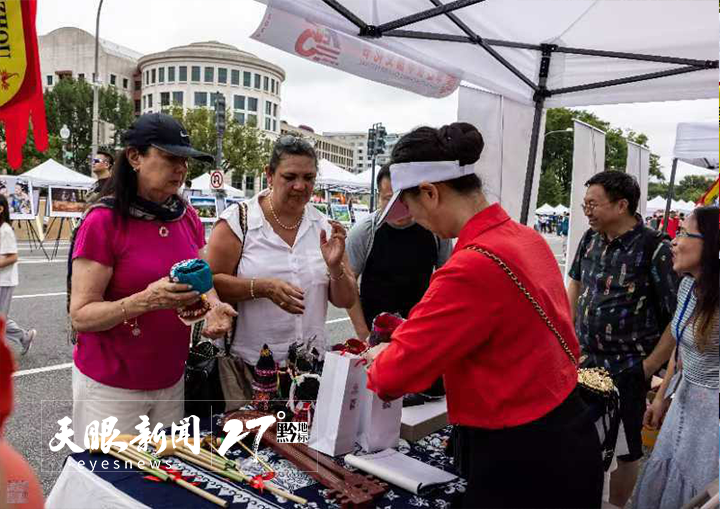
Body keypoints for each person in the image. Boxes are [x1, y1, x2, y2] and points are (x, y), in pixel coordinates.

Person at [365, 123, 603, 508]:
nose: (413, 219)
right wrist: (413, 331)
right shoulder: (526, 237)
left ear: (430, 192)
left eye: (409, 206)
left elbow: (393, 376)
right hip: (565, 431)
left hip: (522, 457)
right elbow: (502, 329)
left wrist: (381, 357)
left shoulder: (471, 266)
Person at [69, 113, 236, 442]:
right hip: (112, 387)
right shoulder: (103, 222)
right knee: (110, 483)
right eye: (171, 158)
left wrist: (214, 305)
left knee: (160, 481)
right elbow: (81, 315)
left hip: (170, 380)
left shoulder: (185, 215)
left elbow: (203, 278)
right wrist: (145, 301)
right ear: (134, 157)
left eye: (185, 161)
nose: (181, 169)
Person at [567, 170, 679, 507]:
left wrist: (647, 368)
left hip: (628, 365)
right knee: (579, 433)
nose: (586, 210)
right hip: (586, 358)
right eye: (585, 203)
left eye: (593, 204)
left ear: (621, 205)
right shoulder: (590, 238)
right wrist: (567, 336)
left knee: (626, 446)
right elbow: (575, 283)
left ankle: (615, 505)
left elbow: (678, 317)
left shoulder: (655, 248)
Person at [207, 135, 357, 368]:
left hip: (310, 367)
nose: (300, 186)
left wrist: (335, 267)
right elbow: (210, 283)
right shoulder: (238, 222)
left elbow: (346, 299)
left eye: (309, 177)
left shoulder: (324, 227)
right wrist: (263, 287)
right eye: (290, 177)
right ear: (269, 174)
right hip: (248, 367)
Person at [632, 206, 719, 508]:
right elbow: (680, 348)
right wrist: (661, 397)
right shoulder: (687, 286)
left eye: (683, 232)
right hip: (684, 402)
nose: (673, 239)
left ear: (712, 244)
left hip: (712, 422)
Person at [346, 164, 452, 340]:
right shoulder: (365, 232)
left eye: (403, 199)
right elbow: (348, 285)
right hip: (375, 333)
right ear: (379, 196)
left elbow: (447, 280)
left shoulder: (435, 229)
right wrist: (364, 334)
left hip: (420, 332)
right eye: (389, 198)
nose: (397, 207)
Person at [0, 195, 35, 356]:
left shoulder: (5, 230)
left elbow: (13, 257)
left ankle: (23, 337)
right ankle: (24, 336)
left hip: (4, 281)